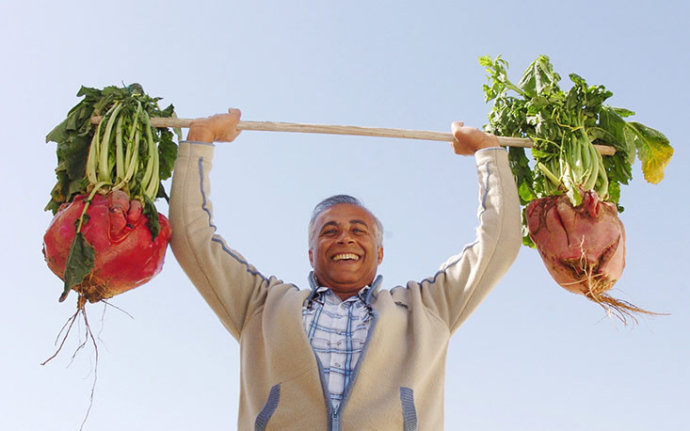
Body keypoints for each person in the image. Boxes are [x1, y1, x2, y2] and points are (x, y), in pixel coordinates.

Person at [169, 108, 521, 430]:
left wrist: (487, 153)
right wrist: (200, 140)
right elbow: (192, 239)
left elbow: (499, 242)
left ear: (379, 252)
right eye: (329, 231)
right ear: (311, 253)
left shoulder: (427, 308)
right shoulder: (261, 306)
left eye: (358, 230)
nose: (345, 239)